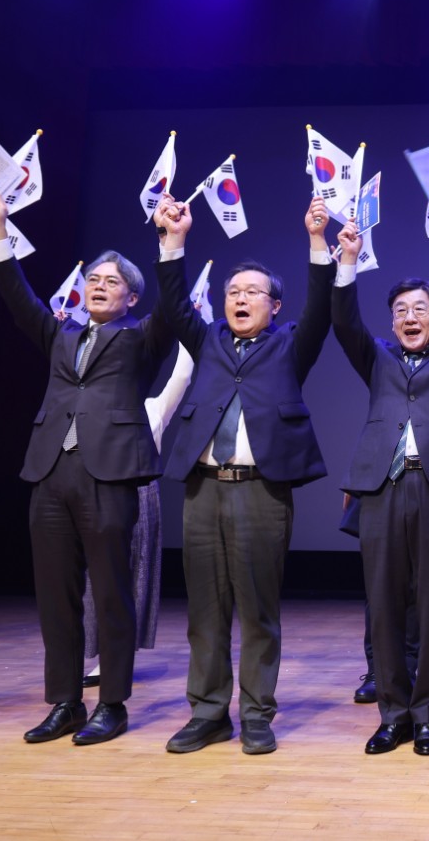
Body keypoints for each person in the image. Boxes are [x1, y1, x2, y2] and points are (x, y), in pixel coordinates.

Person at [0, 196, 174, 746]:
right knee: (55, 593)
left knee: (111, 592)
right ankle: (65, 702)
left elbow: (173, 305)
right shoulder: (61, 333)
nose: (98, 286)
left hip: (109, 474)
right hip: (51, 472)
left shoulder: (143, 336)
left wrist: (171, 244)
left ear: (131, 297)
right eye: (93, 279)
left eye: (112, 282)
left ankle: (112, 704)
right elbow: (17, 298)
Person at [153, 192, 334, 756]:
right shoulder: (207, 339)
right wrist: (174, 240)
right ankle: (208, 713)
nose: (240, 298)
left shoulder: (291, 346)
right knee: (205, 611)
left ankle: (257, 713)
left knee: (258, 610)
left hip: (261, 492)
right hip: (203, 489)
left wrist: (317, 240)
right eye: (233, 291)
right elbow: (175, 303)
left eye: (253, 292)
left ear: (274, 306)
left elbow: (323, 307)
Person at [333, 213, 429, 756]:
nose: (409, 317)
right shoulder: (377, 358)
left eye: (420, 309)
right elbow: (344, 323)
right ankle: (393, 714)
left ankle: (427, 716)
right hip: (382, 489)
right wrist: (346, 260)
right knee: (383, 604)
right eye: (400, 310)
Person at [80, 348, 194, 687]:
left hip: (139, 496)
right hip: (96, 495)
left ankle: (118, 656)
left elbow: (182, 376)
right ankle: (98, 652)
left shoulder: (152, 408)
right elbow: (69, 448)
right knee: (93, 581)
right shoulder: (85, 409)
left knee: (134, 579)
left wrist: (190, 330)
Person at [338, 492, 418, 705]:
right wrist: (352, 482)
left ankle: (408, 669)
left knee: (416, 583)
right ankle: (377, 671)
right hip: (378, 485)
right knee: (378, 585)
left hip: (423, 484)